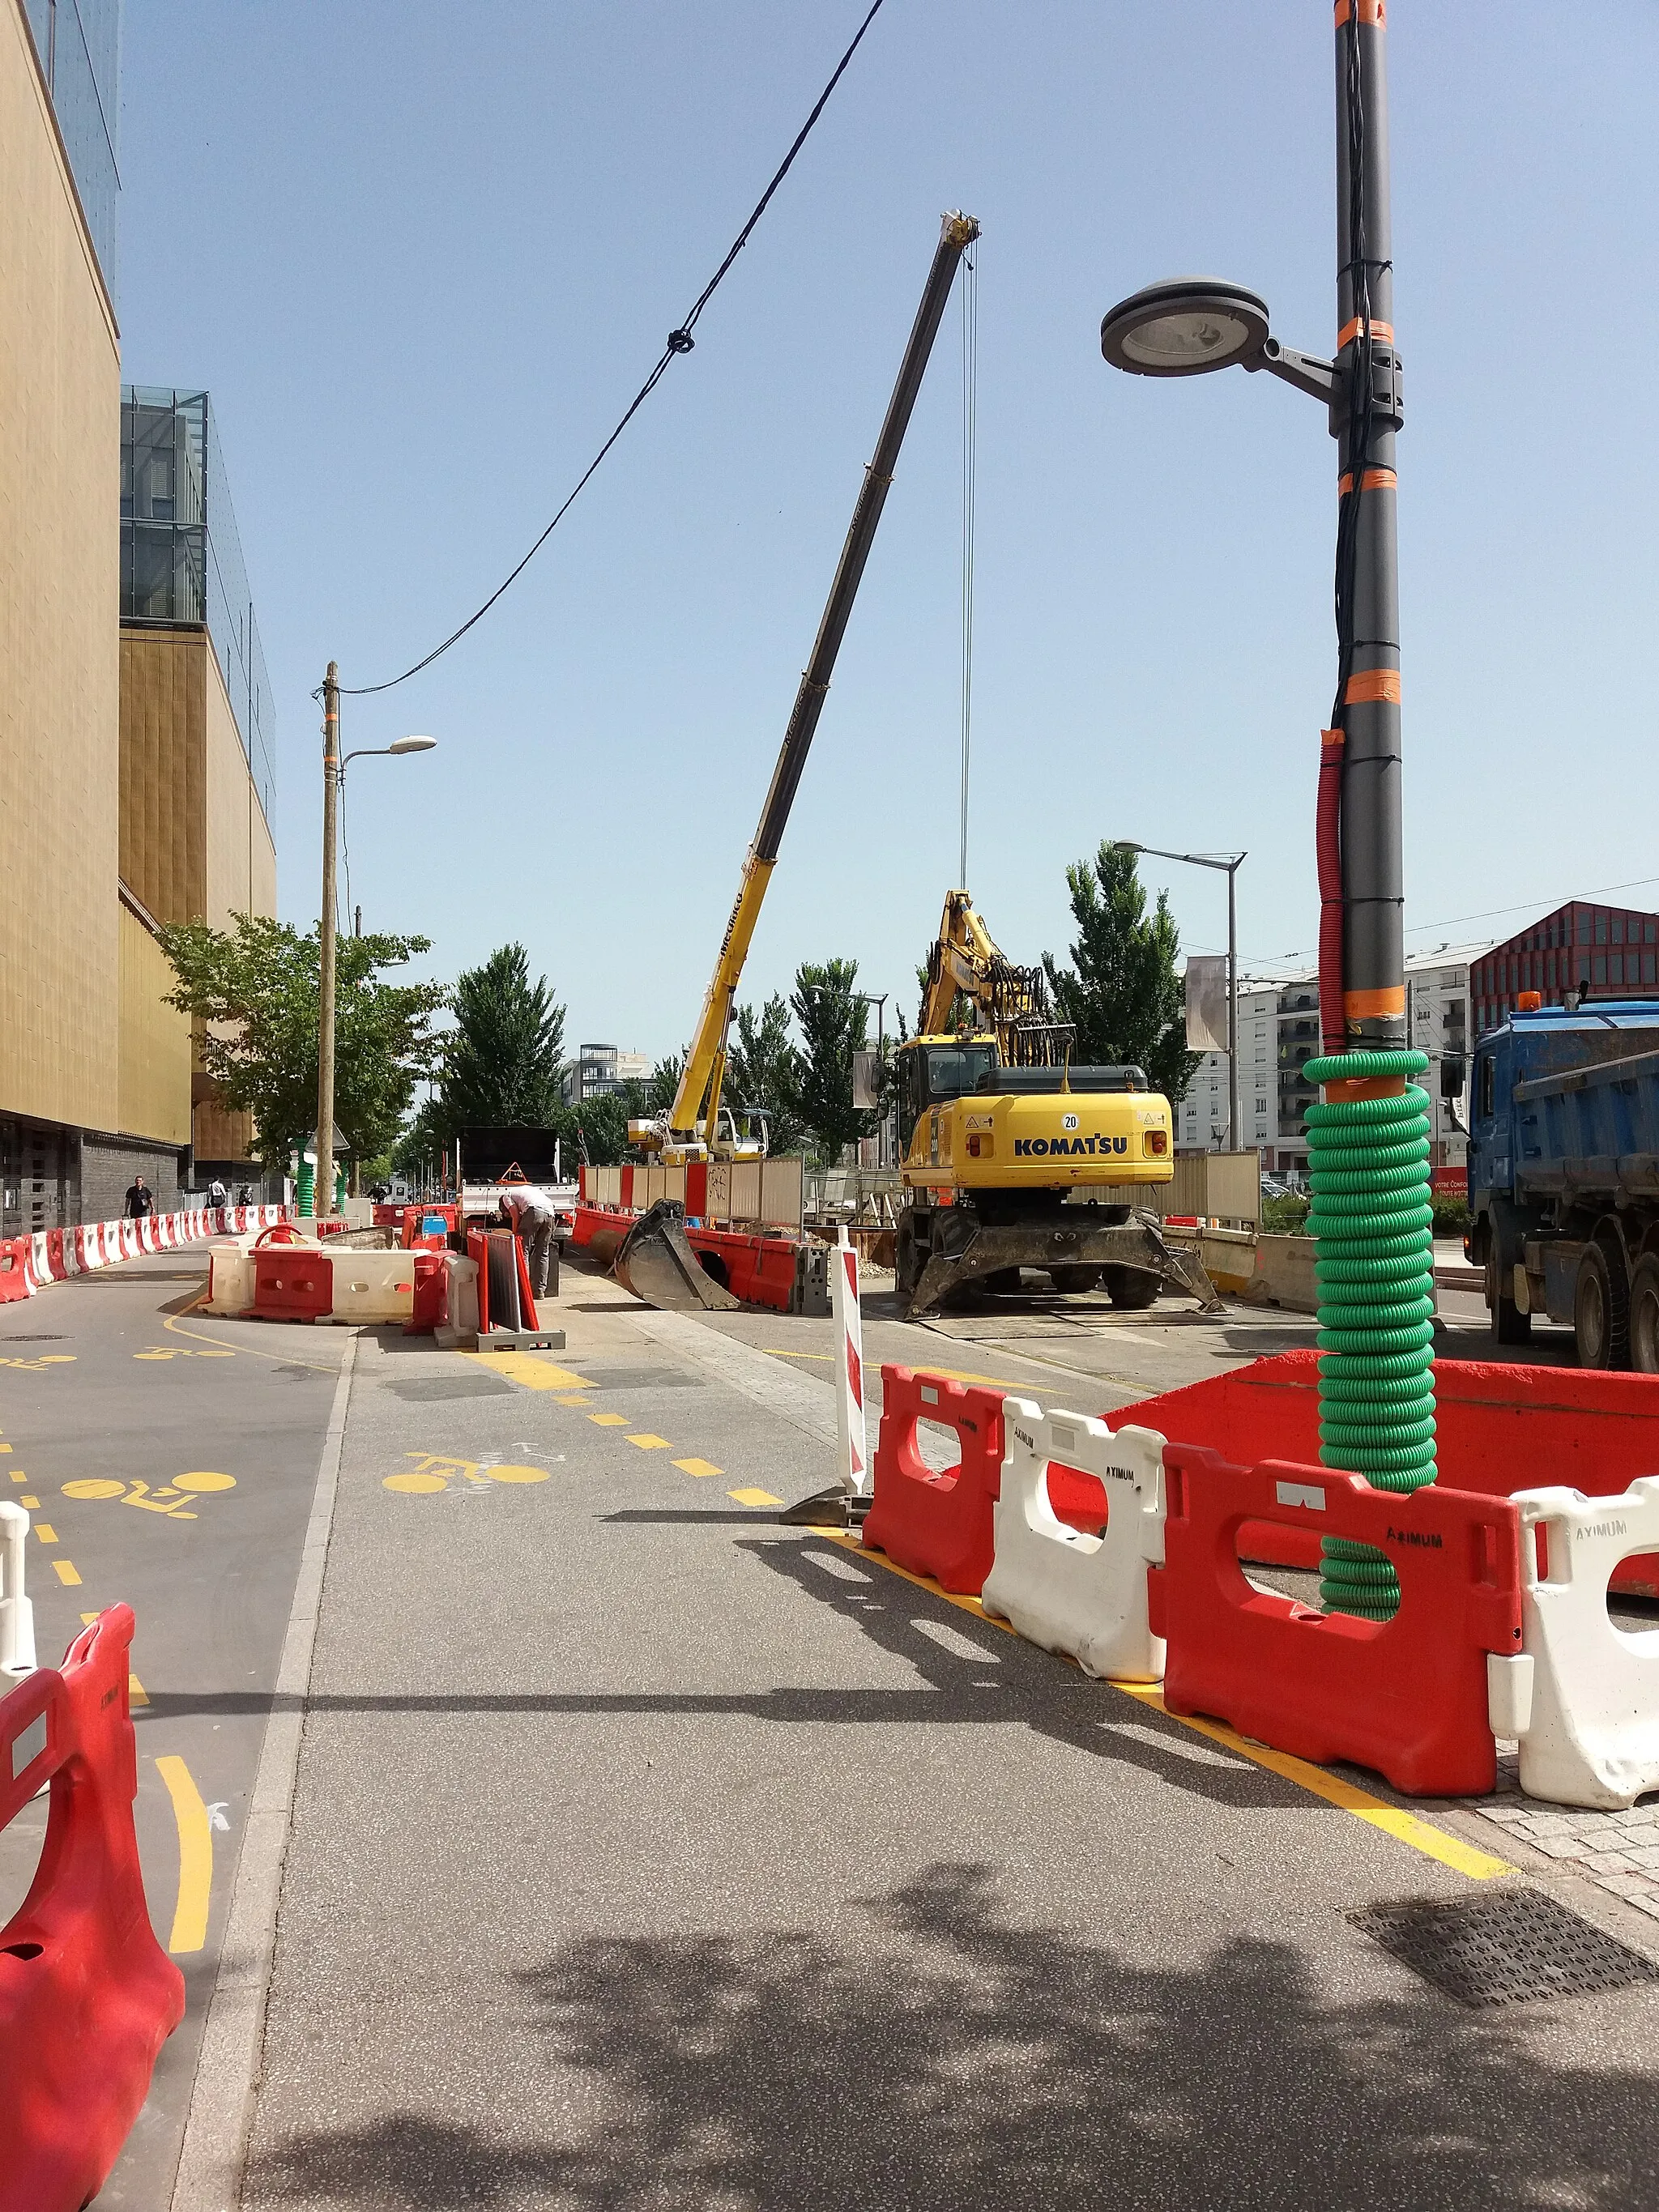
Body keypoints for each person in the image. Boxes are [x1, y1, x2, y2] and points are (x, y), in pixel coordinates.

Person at [497, 1178, 560, 1300]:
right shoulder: (526, 1192)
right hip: (550, 1214)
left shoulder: (506, 1196)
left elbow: (515, 1215)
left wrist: (515, 1234)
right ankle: (540, 1291)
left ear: (503, 1206)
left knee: (522, 1251)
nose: (508, 1215)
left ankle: (523, 1291)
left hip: (534, 1212)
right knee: (543, 1253)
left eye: (506, 1214)